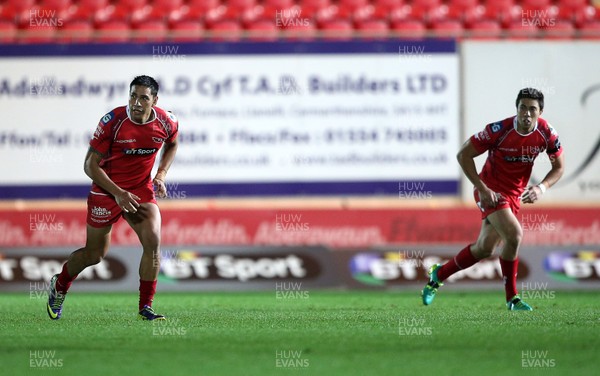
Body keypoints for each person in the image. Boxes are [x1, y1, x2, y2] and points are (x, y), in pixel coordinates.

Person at [47, 75, 179, 320]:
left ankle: (145, 308)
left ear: (155, 100)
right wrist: (117, 193)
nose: (136, 102)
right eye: (132, 96)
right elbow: (89, 166)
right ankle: (60, 284)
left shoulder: (166, 121)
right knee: (94, 255)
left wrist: (160, 174)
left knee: (153, 242)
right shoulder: (113, 122)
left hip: (140, 189)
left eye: (143, 97)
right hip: (107, 191)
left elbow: (172, 143)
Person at [422, 88, 564, 311]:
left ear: (540, 112)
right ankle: (512, 299)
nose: (527, 113)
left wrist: (541, 188)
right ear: (516, 109)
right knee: (514, 234)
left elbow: (559, 167)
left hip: (513, 195)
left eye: (532, 109)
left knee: (484, 248)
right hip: (491, 191)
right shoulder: (499, 130)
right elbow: (463, 155)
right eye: (523, 108)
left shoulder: (547, 133)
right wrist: (482, 187)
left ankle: (438, 274)